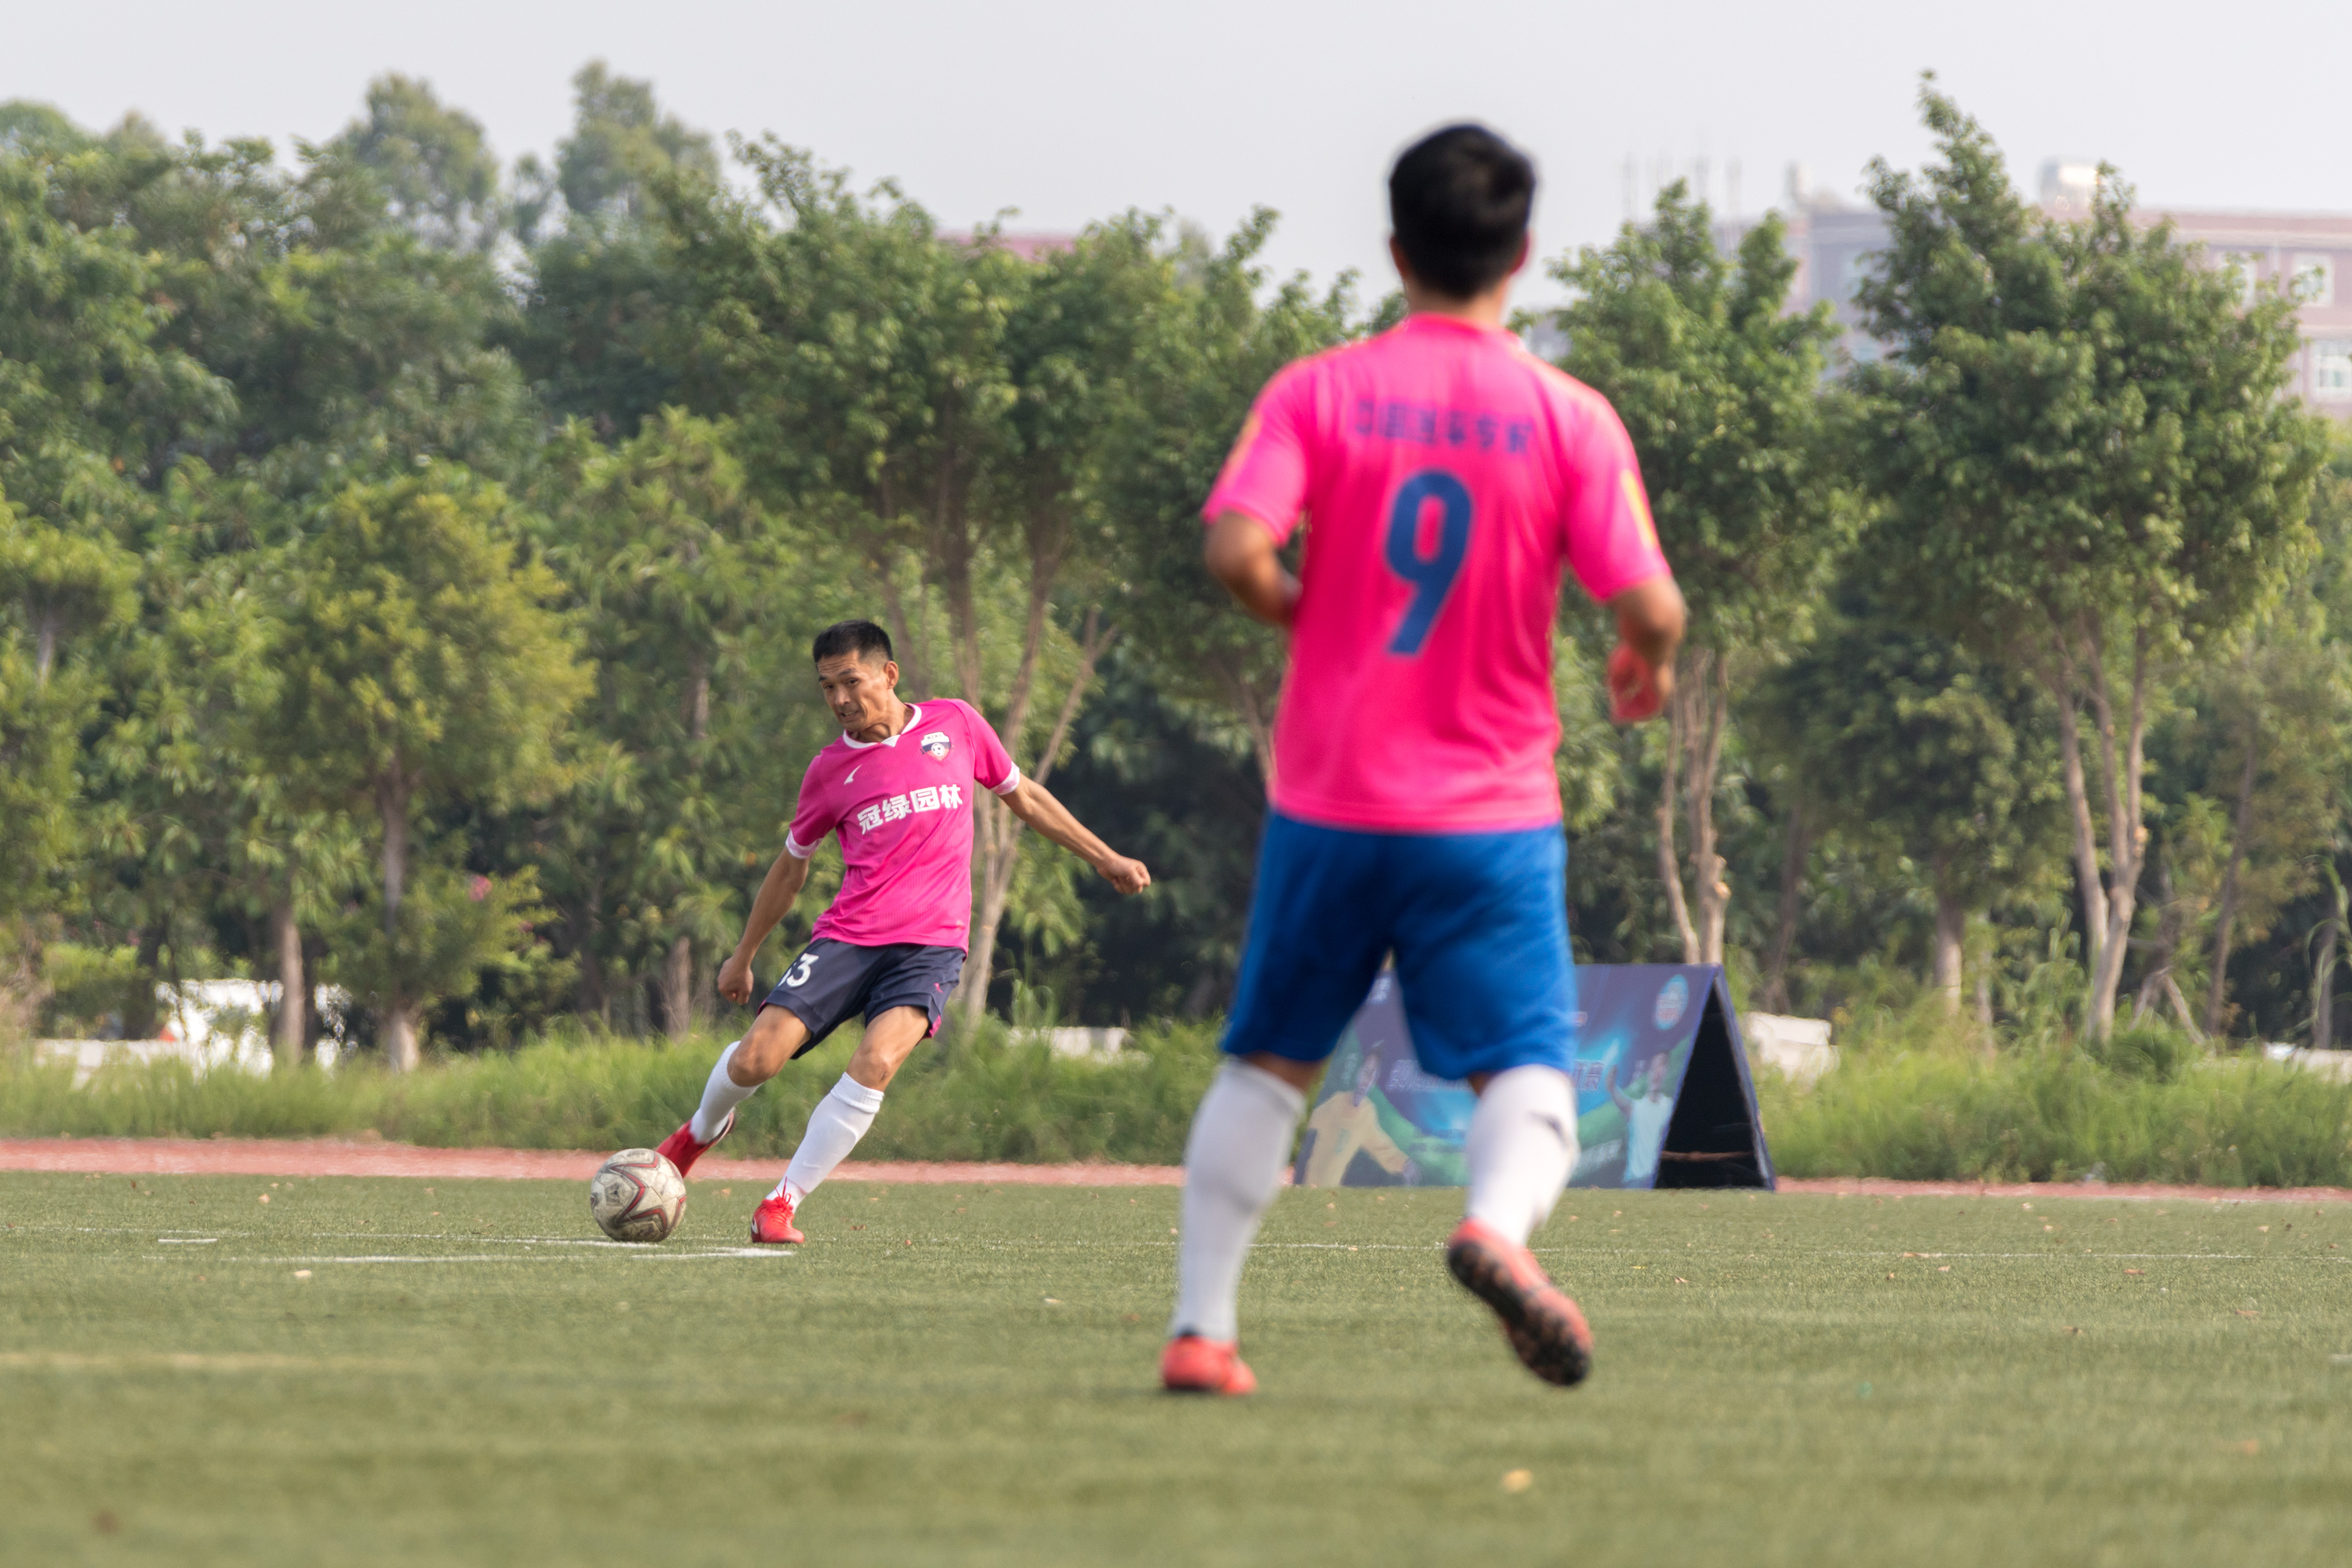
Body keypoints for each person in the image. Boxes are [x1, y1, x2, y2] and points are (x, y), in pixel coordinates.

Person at [1162, 123, 1686, 1396]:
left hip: (1330, 800)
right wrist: (1645, 662)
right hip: (1487, 813)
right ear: (1523, 254)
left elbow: (1233, 546)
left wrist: (1300, 608)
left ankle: (1201, 1329)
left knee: (1268, 1063)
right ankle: (1494, 1228)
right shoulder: (1569, 416)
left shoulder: (1317, 391)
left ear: (1395, 249)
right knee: (1527, 1063)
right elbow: (1651, 602)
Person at [652, 619, 1151, 1244]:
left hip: (932, 946)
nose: (840, 699)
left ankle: (781, 1203)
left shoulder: (957, 724)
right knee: (756, 1059)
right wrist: (743, 954)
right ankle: (699, 1131)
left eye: (850, 681)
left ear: (888, 675)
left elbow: (1025, 796)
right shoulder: (829, 770)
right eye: (827, 687)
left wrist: (1104, 856)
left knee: (878, 1061)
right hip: (848, 937)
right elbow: (790, 868)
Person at [1297, 1050, 1418, 1189]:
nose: (1367, 1080)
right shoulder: (1337, 1103)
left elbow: (1382, 1146)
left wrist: (1404, 1164)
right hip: (1308, 1183)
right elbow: (1306, 1122)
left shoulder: (1367, 1115)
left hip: (1330, 1190)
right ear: (1359, 1071)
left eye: (1373, 1076)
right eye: (1366, 1072)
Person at [1608, 1052, 1678, 1186]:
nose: (1657, 1071)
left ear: (1667, 1071)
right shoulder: (1637, 1108)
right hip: (1635, 1182)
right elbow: (1619, 1098)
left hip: (1658, 1181)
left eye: (1662, 1065)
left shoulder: (1670, 1107)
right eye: (1654, 1066)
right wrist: (1612, 1085)